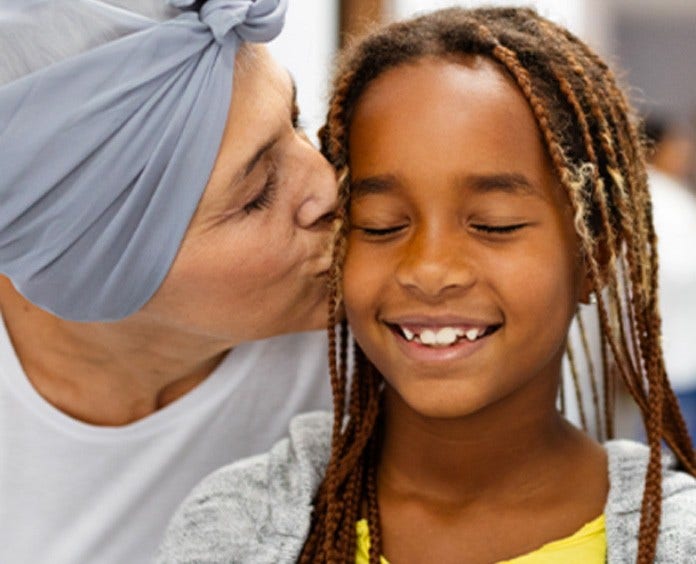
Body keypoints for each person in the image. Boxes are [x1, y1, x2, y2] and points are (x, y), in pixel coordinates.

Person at [157, 7, 696, 564]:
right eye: (381, 225)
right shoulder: (235, 528)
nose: (429, 270)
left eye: (494, 225)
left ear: (595, 253)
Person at [0, 1, 336, 563]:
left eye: (297, 120)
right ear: (102, 273)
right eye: (256, 195)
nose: (329, 183)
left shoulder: (405, 337)